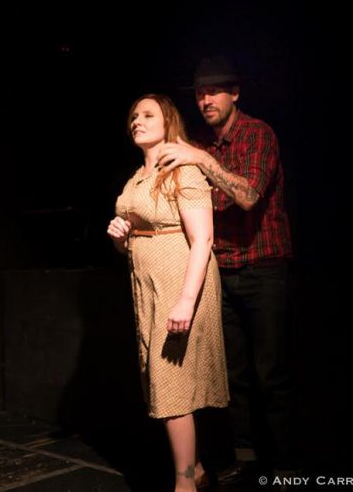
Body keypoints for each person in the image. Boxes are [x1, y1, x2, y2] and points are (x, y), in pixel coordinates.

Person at [156, 56, 295, 483]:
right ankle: (244, 457)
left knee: (269, 372)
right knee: (230, 374)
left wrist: (199, 161)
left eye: (214, 91)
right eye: (199, 93)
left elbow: (249, 195)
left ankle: (285, 463)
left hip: (263, 267)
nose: (205, 100)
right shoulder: (199, 141)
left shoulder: (257, 134)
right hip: (223, 270)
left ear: (235, 93)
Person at [108, 94, 228, 492]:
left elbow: (203, 238)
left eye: (147, 115)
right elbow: (136, 237)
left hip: (180, 279)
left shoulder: (183, 169)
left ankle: (183, 484)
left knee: (172, 385)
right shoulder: (135, 179)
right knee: (159, 381)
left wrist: (186, 300)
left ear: (168, 121)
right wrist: (121, 238)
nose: (136, 122)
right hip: (148, 285)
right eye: (133, 117)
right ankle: (195, 471)